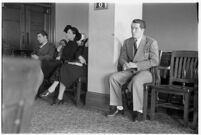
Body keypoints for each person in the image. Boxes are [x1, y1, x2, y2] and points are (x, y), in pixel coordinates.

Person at [106, 19, 159, 122]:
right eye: (132, 28)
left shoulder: (151, 42)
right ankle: (118, 107)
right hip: (130, 71)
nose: (133, 30)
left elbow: (155, 61)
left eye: (136, 28)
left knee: (136, 80)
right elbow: (122, 58)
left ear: (142, 30)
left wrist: (137, 65)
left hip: (146, 72)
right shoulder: (127, 42)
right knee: (113, 77)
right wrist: (124, 63)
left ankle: (138, 110)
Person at [40, 25, 82, 103]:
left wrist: (61, 56)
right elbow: (60, 55)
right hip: (64, 64)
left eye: (69, 33)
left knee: (59, 69)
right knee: (51, 65)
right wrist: (58, 51)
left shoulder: (74, 44)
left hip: (70, 65)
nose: (67, 34)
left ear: (74, 35)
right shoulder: (69, 43)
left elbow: (69, 57)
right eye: (67, 33)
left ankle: (51, 91)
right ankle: (58, 97)